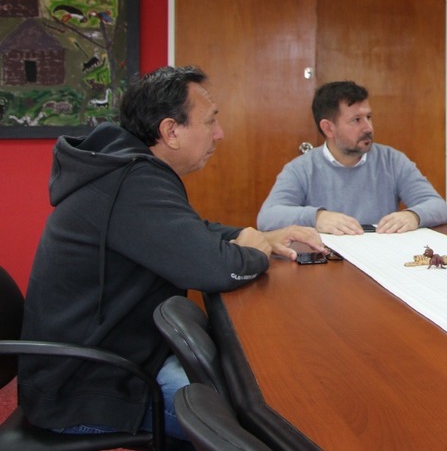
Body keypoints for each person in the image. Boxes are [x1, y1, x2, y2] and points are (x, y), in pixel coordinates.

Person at [19, 66, 324, 442]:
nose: (219, 133)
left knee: (237, 388)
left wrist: (252, 234)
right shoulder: (131, 182)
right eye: (211, 121)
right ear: (170, 131)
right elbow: (214, 269)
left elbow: (185, 231)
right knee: (259, 424)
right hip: (86, 387)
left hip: (115, 359)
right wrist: (257, 251)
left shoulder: (127, 169)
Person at [257, 81, 447, 234]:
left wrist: (414, 215)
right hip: (328, 266)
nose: (368, 128)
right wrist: (318, 217)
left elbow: (439, 207)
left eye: (369, 117)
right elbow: (267, 217)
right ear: (328, 128)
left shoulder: (392, 160)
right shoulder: (301, 169)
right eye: (356, 120)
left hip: (381, 259)